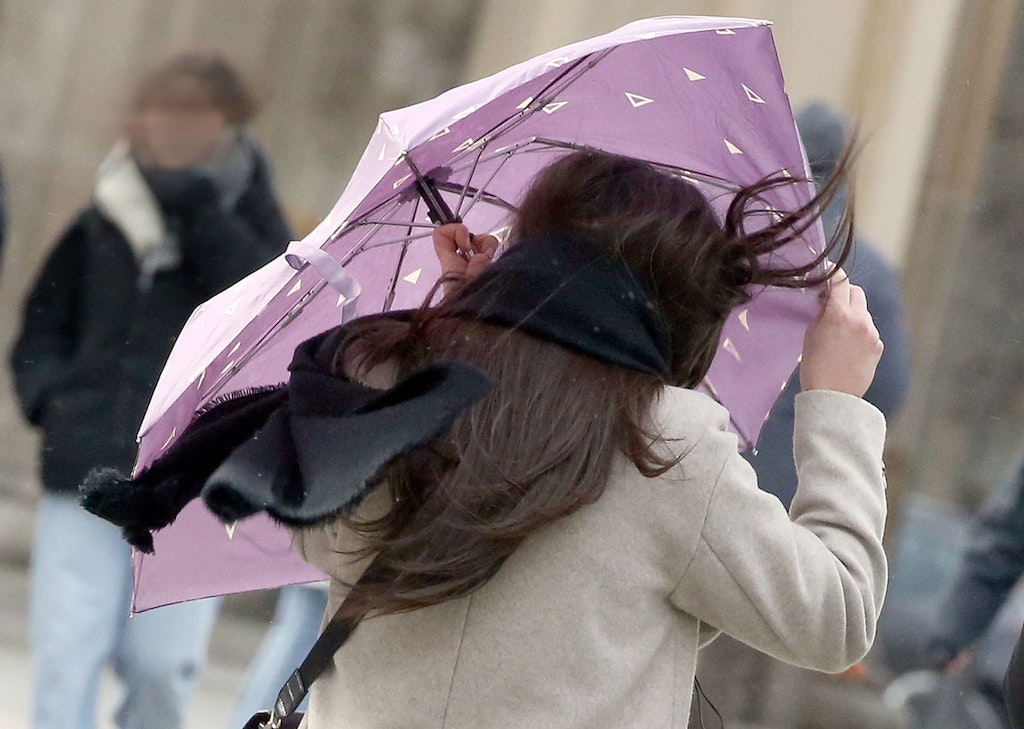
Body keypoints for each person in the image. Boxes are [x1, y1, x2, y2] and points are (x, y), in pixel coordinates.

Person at [83, 149, 888, 728]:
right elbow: (835, 616)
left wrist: (468, 331)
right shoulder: (671, 446)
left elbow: (336, 547)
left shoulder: (394, 384)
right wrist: (837, 404)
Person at [10, 51, 291, 729]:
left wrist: (198, 206)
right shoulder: (104, 215)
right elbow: (43, 328)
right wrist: (55, 399)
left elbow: (269, 314)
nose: (174, 126)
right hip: (85, 464)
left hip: (195, 480)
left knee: (162, 669)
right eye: (163, 109)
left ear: (230, 121)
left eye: (194, 111)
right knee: (64, 653)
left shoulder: (253, 221)